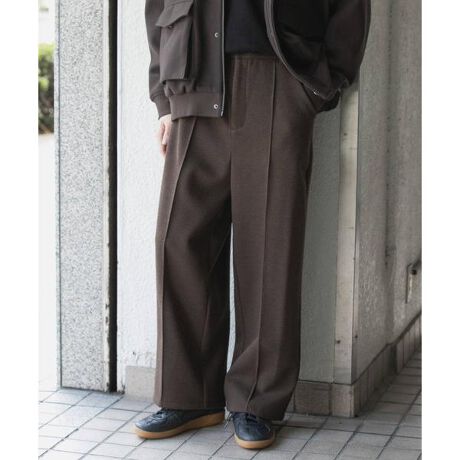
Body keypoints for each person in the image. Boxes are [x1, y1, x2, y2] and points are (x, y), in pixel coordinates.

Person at [134, 0, 371, 450]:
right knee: (179, 242)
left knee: (269, 247)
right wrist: (164, 99)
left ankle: (256, 401)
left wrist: (320, 86)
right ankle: (189, 398)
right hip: (193, 81)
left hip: (278, 78)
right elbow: (157, 7)